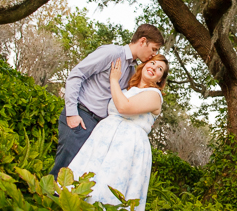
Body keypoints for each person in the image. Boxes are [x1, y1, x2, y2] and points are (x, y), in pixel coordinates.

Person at [49, 24, 164, 177]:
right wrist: (71, 113)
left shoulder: (132, 70)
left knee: (77, 180)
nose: (153, 54)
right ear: (143, 41)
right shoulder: (112, 53)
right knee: (64, 172)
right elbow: (77, 75)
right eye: (154, 49)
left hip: (99, 129)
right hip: (81, 117)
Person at [67, 54, 169, 211]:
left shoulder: (154, 95)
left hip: (127, 145)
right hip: (103, 139)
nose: (154, 68)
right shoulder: (125, 90)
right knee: (86, 180)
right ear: (144, 65)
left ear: (160, 79)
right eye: (153, 63)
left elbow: (123, 107)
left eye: (160, 69)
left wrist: (114, 79)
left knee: (109, 186)